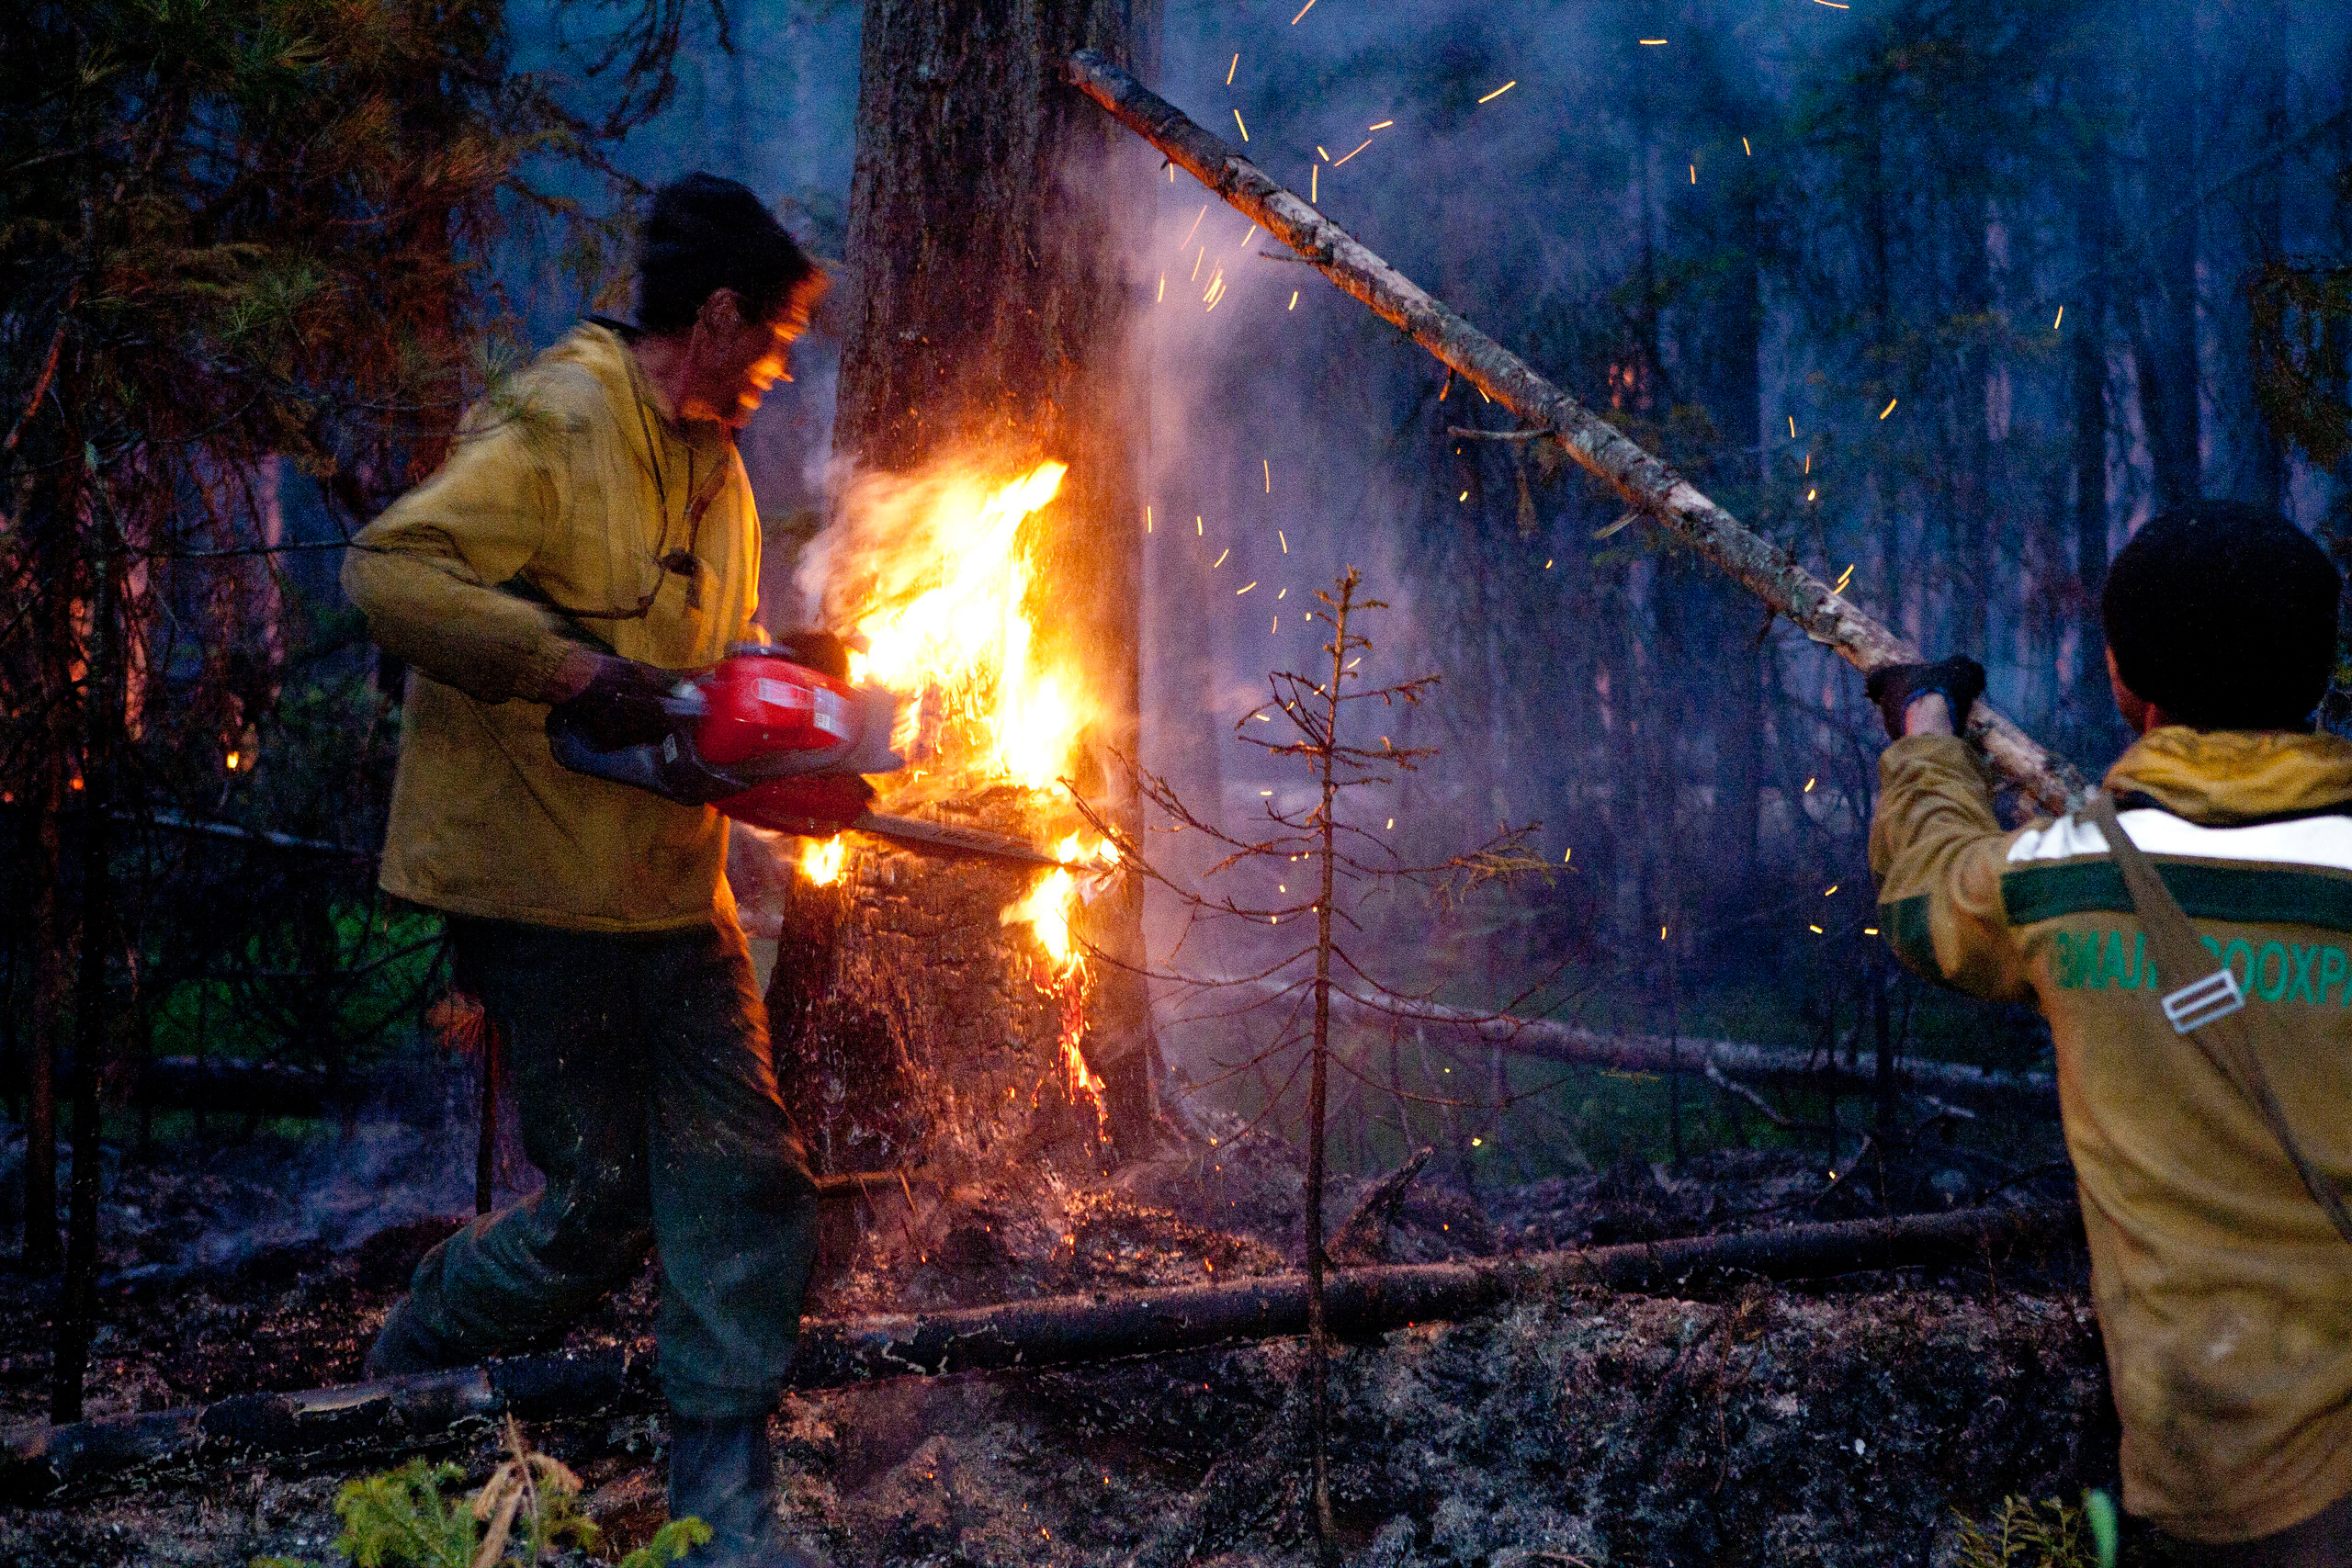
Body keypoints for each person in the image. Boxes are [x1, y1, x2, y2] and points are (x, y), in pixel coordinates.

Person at [342, 173, 832, 1568]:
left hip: (675, 895)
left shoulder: (719, 471)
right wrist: (564, 666)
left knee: (748, 1173)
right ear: (722, 313)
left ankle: (722, 1513)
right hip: (536, 891)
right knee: (606, 1195)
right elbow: (390, 568)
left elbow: (691, 698)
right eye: (776, 344)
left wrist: (781, 766)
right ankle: (407, 1371)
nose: (778, 376)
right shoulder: (559, 420)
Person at [1867, 499, 2352, 1564]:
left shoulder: (2061, 882)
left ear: (2122, 678)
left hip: (2229, 1483)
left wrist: (1927, 732)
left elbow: (1923, 898)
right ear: (2321, 671)